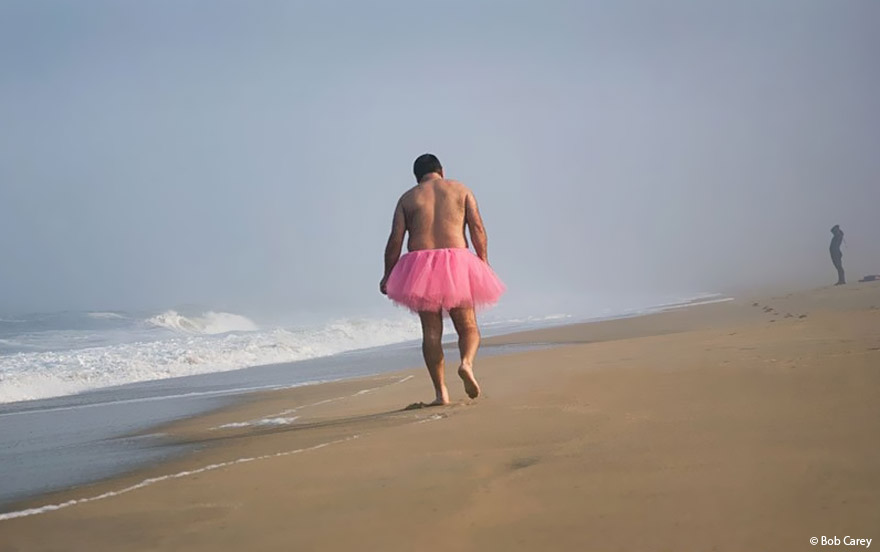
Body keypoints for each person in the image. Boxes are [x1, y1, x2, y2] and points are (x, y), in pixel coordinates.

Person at [380, 154, 505, 406]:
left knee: (431, 332)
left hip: (420, 266)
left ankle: (441, 394)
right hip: (457, 261)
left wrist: (387, 273)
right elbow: (477, 228)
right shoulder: (461, 190)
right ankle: (466, 363)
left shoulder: (408, 198)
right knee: (468, 326)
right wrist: (483, 261)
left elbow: (395, 239)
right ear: (441, 171)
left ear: (417, 177)